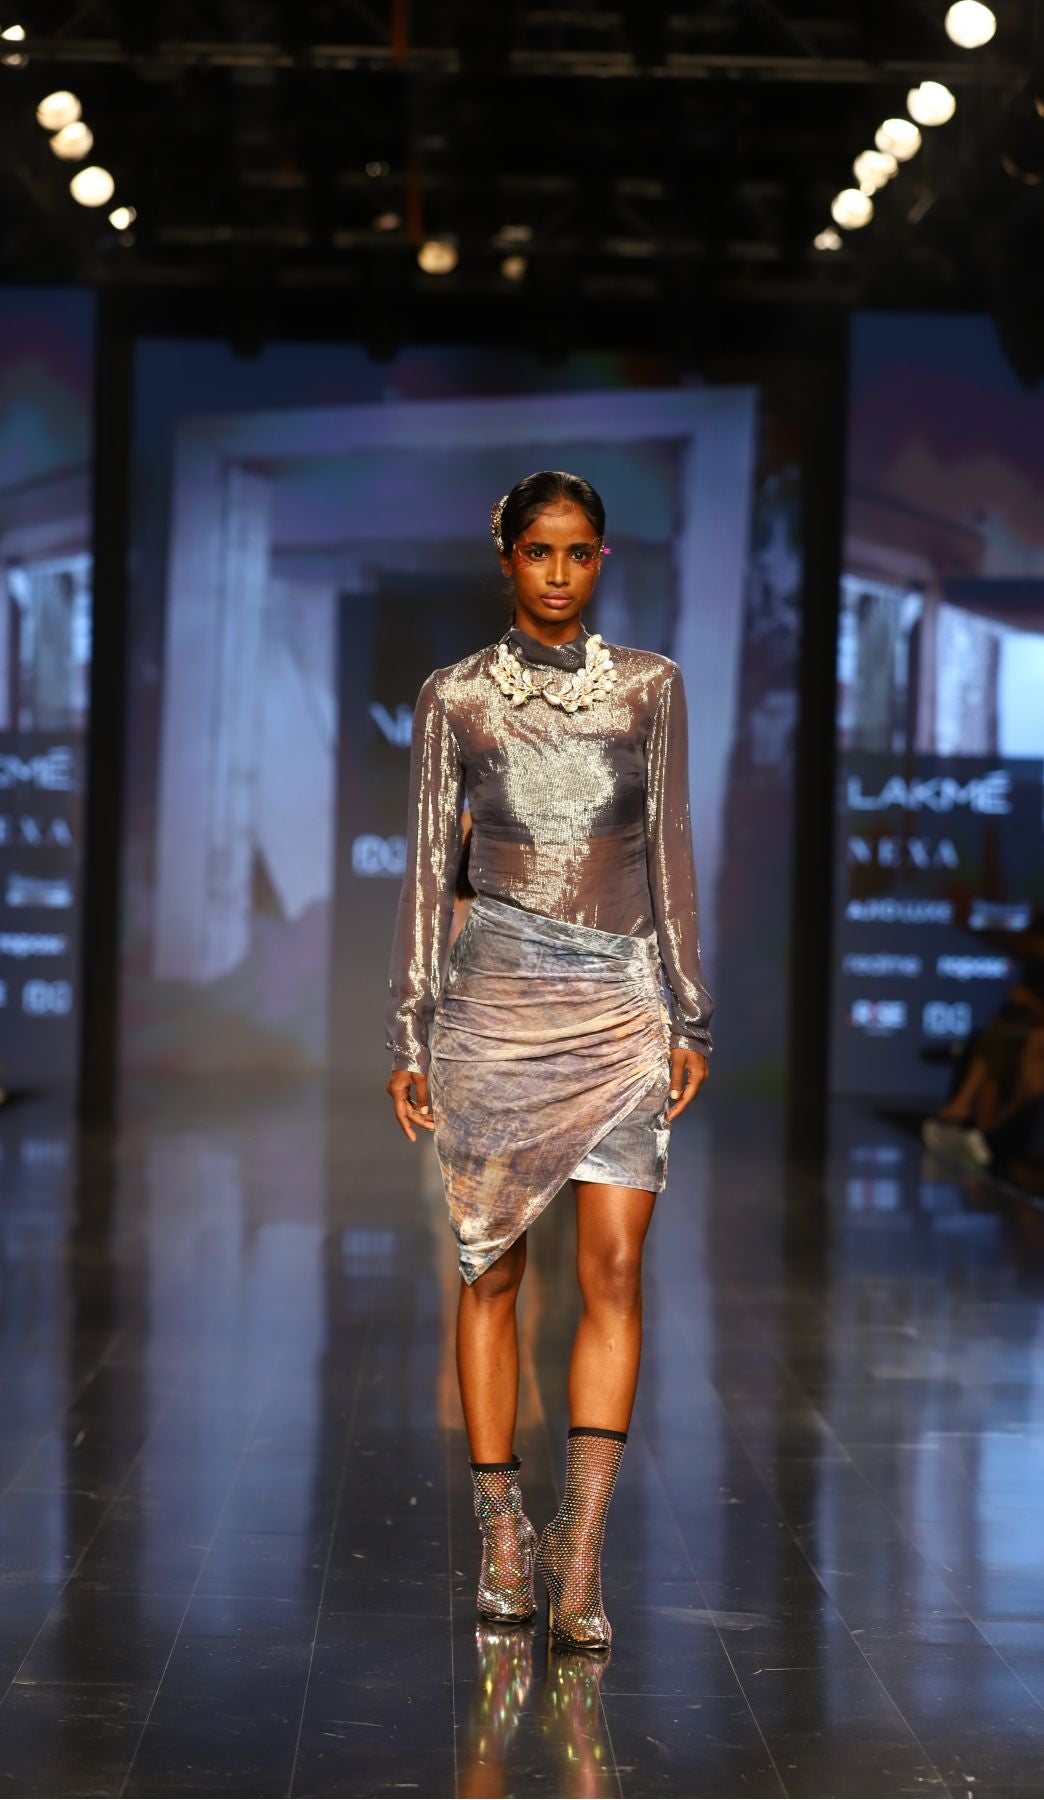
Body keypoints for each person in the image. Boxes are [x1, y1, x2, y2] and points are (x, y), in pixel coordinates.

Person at [384, 470, 713, 1654]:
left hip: (621, 1005)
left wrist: (689, 1015)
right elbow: (430, 869)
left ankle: (581, 1557)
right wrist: (411, 1026)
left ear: (601, 559)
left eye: (579, 552)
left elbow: (670, 850)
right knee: (492, 1275)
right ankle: (503, 1537)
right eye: (539, 552)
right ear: (507, 558)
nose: (559, 573)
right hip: (495, 1008)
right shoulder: (456, 697)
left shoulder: (650, 689)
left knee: (615, 1268)